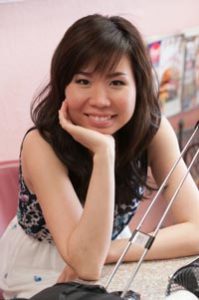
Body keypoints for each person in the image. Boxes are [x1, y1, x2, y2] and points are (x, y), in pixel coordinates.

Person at [0, 14, 199, 300]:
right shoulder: (41, 144)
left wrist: (115, 248)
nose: (100, 100)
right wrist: (104, 153)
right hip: (42, 266)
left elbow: (196, 229)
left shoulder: (152, 130)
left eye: (117, 83)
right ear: (63, 86)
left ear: (137, 86)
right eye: (83, 81)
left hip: (111, 249)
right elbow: (85, 264)